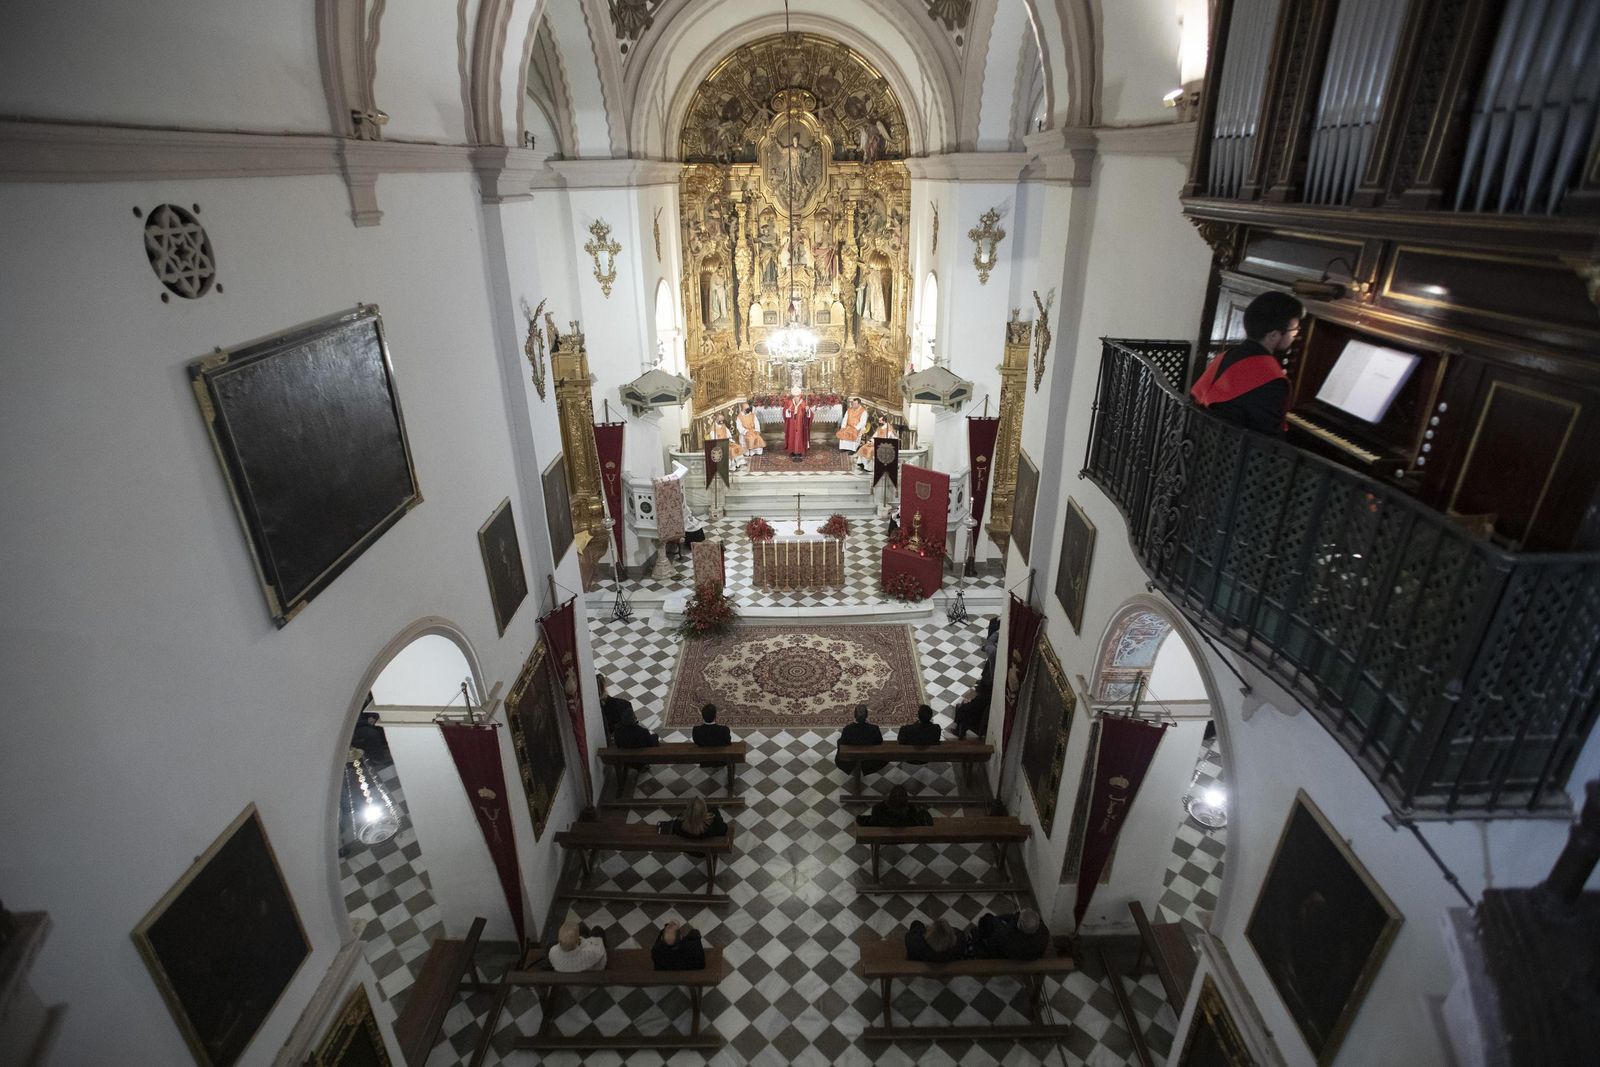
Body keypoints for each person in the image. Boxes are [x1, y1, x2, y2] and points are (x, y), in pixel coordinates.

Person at [1190, 291, 1303, 435]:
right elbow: (1268, 439)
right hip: (1232, 445)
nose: (1295, 336)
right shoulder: (1272, 382)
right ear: (1274, 335)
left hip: (1199, 437)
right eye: (1294, 331)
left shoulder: (1227, 355)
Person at [971, 909, 1049, 961]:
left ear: (1020, 924)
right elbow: (1014, 918)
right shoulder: (1044, 931)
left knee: (987, 922)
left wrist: (996, 920)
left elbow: (995, 943)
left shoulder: (1007, 937)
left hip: (1008, 955)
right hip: (1031, 955)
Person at [838, 703, 886, 775]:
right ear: (866, 715)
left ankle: (853, 766)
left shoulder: (848, 729)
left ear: (854, 715)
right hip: (870, 759)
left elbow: (843, 742)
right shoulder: (874, 729)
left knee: (839, 741)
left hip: (851, 759)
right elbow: (879, 742)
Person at [857, 784, 932, 827]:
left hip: (884, 839)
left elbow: (873, 820)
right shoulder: (911, 812)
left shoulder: (878, 810)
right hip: (905, 839)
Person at [663, 796, 729, 839]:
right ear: (704, 810)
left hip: (690, 851)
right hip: (706, 850)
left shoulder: (679, 823)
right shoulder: (713, 821)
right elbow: (724, 829)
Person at [782, 387, 811, 460]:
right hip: (791, 423)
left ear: (800, 395)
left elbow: (808, 415)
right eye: (795, 396)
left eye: (797, 396)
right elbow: (785, 411)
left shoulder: (803, 403)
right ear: (793, 396)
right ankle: (792, 450)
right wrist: (788, 410)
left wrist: (807, 410)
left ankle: (799, 451)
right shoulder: (789, 402)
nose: (796, 398)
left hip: (800, 424)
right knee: (792, 436)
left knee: (799, 436)